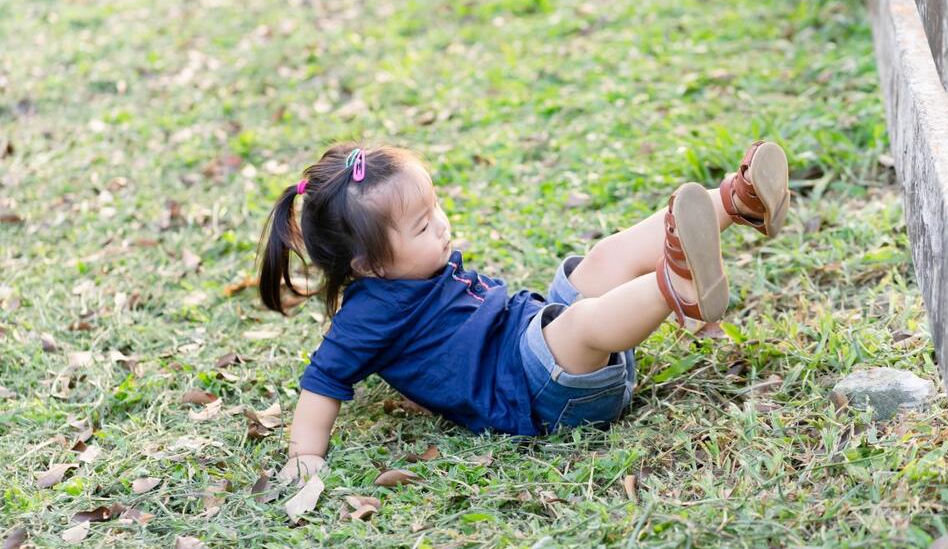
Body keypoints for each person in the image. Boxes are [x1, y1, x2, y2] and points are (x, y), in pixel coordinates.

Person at [256, 141, 789, 483]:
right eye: (421, 226)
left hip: (540, 338)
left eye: (434, 207)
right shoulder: (366, 316)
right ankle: (674, 285)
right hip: (537, 395)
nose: (441, 225)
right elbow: (322, 381)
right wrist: (305, 455)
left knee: (601, 259)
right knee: (579, 323)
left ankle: (735, 202)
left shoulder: (411, 268)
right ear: (368, 265)